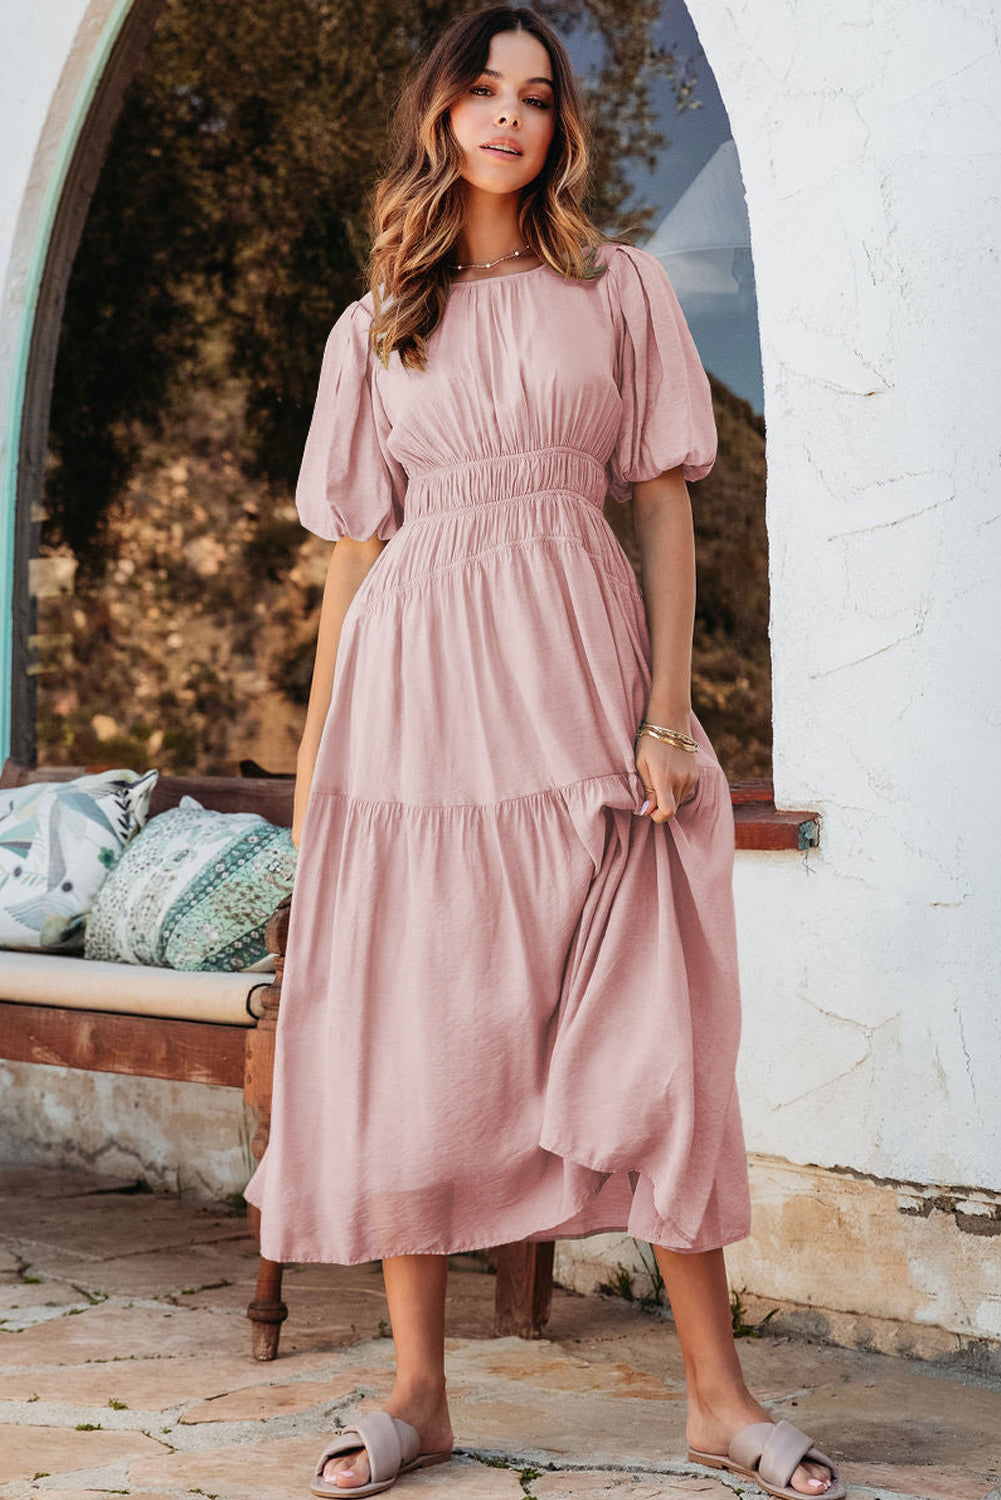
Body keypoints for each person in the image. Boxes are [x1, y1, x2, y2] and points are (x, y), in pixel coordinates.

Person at [243, 8, 843, 1500]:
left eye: (534, 95)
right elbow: (350, 559)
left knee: (652, 1012)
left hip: (576, 671)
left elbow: (660, 507)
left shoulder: (614, 288)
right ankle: (416, 1393)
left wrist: (662, 712)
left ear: (557, 126)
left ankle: (715, 1399)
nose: (507, 116)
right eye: (481, 91)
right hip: (417, 700)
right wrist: (321, 788)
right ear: (439, 114)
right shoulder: (375, 317)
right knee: (414, 1016)